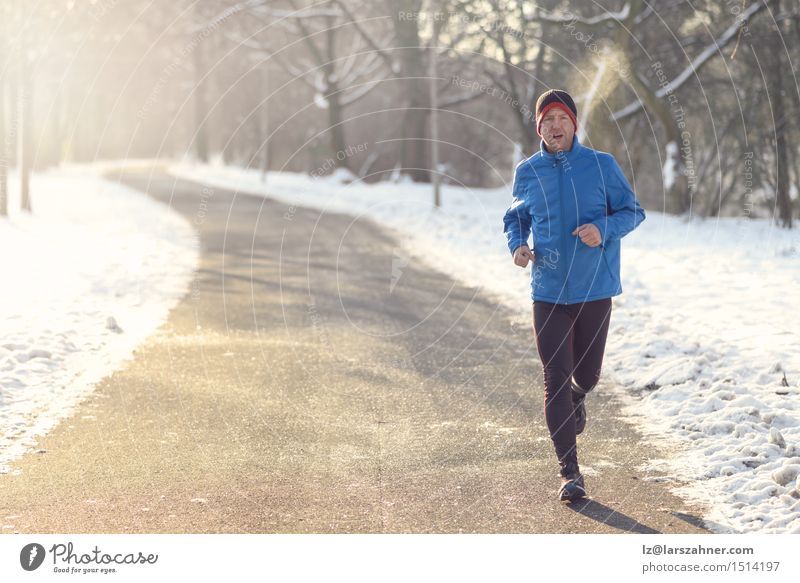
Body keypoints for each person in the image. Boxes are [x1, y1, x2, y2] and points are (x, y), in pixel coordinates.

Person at [502, 89, 645, 502]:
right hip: (547, 291)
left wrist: (604, 229)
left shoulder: (601, 166)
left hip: (594, 289)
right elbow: (515, 217)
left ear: (574, 124)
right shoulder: (528, 171)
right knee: (554, 379)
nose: (555, 127)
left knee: (587, 376)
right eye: (547, 121)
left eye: (562, 119)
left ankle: (579, 396)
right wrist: (518, 244)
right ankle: (570, 472)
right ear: (539, 129)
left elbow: (632, 211)